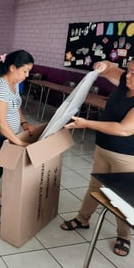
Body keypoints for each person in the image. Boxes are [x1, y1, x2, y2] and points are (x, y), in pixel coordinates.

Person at [60, 60, 134, 257]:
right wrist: (101, 65)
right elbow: (109, 68)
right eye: (129, 70)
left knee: (121, 198)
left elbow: (124, 129)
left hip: (126, 157)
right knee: (94, 186)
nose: (128, 75)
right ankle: (82, 219)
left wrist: (86, 123)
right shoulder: (124, 82)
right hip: (103, 148)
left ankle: (124, 236)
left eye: (133, 73)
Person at [0, 50, 35, 222]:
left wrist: (24, 123)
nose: (27, 75)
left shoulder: (14, 83)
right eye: (24, 71)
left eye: (29, 71)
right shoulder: (1, 87)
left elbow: (17, 105)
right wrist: (17, 141)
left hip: (5, 135)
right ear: (12, 68)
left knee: (1, 166)